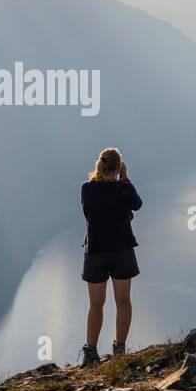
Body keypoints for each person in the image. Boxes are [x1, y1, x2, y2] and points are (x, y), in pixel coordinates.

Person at [78, 147, 142, 365]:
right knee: (123, 301)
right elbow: (138, 204)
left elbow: (89, 213)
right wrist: (125, 180)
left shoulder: (87, 189)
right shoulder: (124, 188)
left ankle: (91, 353)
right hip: (122, 250)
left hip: (96, 251)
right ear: (119, 167)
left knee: (96, 305)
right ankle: (120, 350)